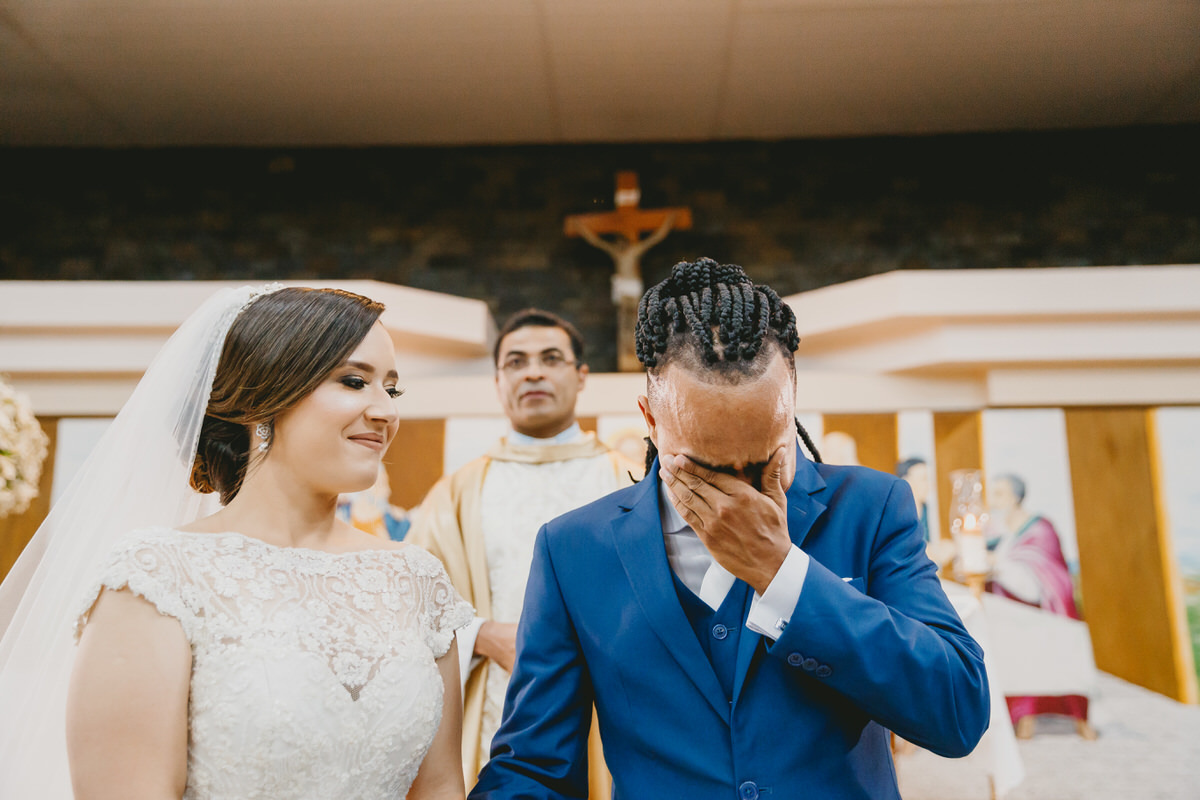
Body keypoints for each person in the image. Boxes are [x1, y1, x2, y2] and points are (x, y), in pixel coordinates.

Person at [472, 258, 990, 799]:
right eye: (710, 467)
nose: (741, 493)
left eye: (764, 459)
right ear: (651, 421)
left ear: (790, 406)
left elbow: (957, 713)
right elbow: (533, 767)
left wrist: (782, 573)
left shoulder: (871, 507)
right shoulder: (574, 549)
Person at [0, 285, 472, 799]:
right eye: (354, 381)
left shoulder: (416, 581)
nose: (385, 412)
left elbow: (441, 786)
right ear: (263, 399)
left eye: (392, 389)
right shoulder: (157, 577)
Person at [407, 309, 638, 793]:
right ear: (498, 381)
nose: (533, 372)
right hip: (497, 698)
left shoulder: (628, 479)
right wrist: (483, 635)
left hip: (615, 704)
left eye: (550, 359)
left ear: (581, 376)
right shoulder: (456, 493)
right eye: (516, 362)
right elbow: (408, 605)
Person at [986, 473, 1090, 736]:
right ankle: (1019, 715)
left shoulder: (1040, 530)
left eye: (999, 493)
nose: (993, 500)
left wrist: (996, 564)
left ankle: (1034, 716)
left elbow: (1039, 582)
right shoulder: (1001, 532)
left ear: (1015, 497)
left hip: (1041, 618)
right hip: (1012, 618)